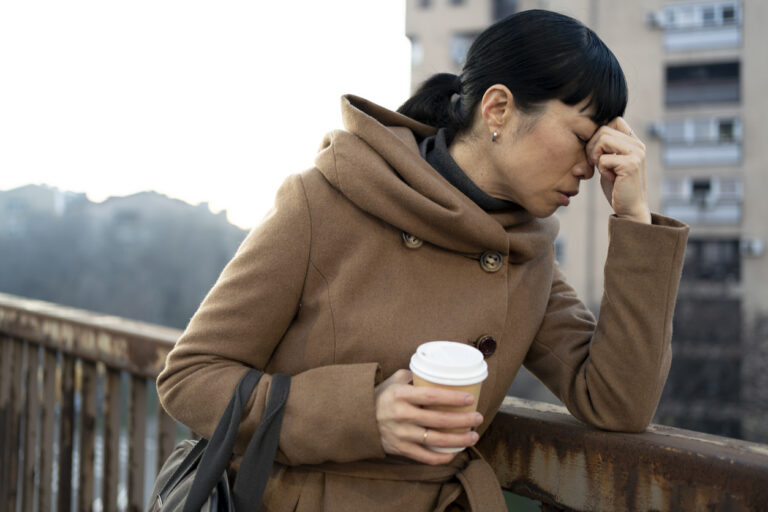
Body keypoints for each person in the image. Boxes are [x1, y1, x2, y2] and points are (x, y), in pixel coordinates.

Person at [157, 9, 689, 512]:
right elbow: (190, 377)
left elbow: (619, 403)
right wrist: (361, 413)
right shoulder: (325, 201)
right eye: (581, 138)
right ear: (498, 108)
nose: (590, 167)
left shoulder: (525, 255)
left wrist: (634, 220)